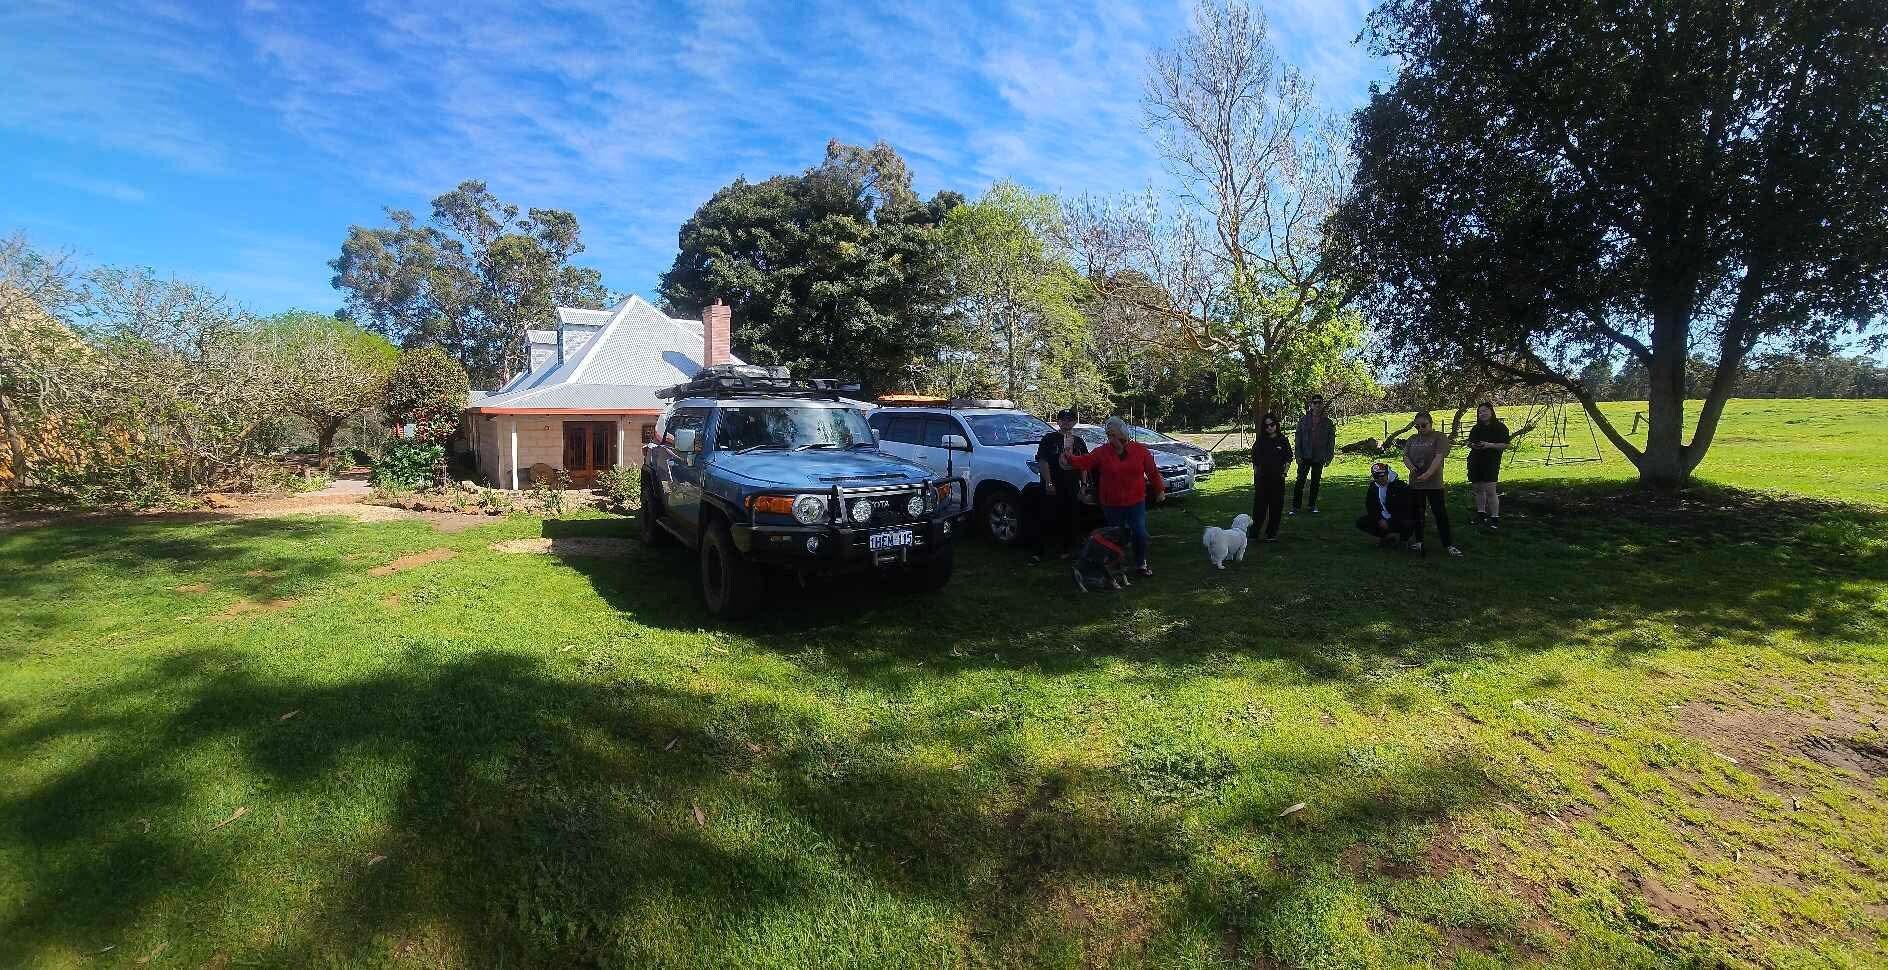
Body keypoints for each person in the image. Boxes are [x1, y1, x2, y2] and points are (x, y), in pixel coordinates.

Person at [1063, 416, 1165, 576]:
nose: (1111, 439)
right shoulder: (1102, 452)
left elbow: (1152, 472)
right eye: (1109, 435)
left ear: (1123, 434)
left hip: (1135, 501)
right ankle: (1116, 564)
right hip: (1111, 503)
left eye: (1114, 435)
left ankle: (1141, 563)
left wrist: (1160, 490)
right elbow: (1084, 462)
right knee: (1117, 535)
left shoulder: (1140, 451)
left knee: (1140, 533)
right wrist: (1069, 455)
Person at [1031, 408, 1089, 563]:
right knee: (1046, 517)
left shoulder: (1078, 441)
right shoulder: (1049, 439)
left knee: (1071, 518)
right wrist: (1048, 482)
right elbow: (1043, 461)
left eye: (1069, 419)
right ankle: (1039, 551)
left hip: (1071, 485)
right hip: (1052, 484)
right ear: (1058, 422)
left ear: (1074, 422)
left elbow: (1084, 464)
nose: (1066, 422)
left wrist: (1083, 485)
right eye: (1063, 419)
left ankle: (1067, 549)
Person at [1401, 410, 1462, 557]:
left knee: (1440, 513)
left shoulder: (1439, 437)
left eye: (1423, 425)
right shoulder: (1412, 439)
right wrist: (1413, 469)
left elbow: (1439, 457)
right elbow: (1405, 456)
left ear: (1430, 423)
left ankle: (1448, 544)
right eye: (1417, 426)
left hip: (1434, 484)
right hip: (1416, 483)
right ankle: (1419, 541)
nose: (1420, 429)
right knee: (1417, 513)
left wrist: (1428, 474)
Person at [1466, 401, 1511, 529]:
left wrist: (1490, 445)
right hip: (1475, 461)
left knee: (1491, 491)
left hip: (1491, 462)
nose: (1482, 414)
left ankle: (1495, 518)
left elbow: (1506, 444)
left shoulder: (1500, 427)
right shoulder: (1476, 428)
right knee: (1478, 489)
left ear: (1491, 411)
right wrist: (1473, 445)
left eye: (1485, 411)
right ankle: (1481, 514)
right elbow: (1469, 443)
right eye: (1480, 412)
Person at [1290, 395, 1336, 515]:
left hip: (1319, 456)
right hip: (1305, 455)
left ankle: (1312, 505)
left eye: (1319, 402)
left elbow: (1331, 441)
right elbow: (1298, 438)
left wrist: (1329, 456)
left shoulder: (1328, 422)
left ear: (1322, 404)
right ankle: (1295, 507)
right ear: (1310, 405)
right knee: (1300, 481)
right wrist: (1298, 455)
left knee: (1315, 482)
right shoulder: (1303, 420)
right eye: (1314, 402)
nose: (1317, 405)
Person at [1250, 413, 1292, 542]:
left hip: (1277, 480)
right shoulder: (1260, 441)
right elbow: (1255, 460)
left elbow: (1288, 458)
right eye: (1267, 425)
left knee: (1276, 507)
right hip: (1262, 480)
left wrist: (1284, 473)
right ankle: (1254, 533)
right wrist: (1257, 476)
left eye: (1272, 425)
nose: (1270, 428)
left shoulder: (1283, 440)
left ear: (1276, 425)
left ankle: (1271, 534)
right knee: (1259, 508)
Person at [1356, 462, 1415, 545]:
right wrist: (1379, 519)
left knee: (1408, 522)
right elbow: (1371, 506)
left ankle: (1405, 538)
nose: (1380, 479)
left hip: (1399, 518)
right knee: (1361, 522)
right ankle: (1386, 537)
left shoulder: (1400, 486)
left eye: (1382, 476)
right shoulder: (1373, 487)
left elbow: (1406, 508)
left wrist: (1390, 521)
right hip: (1383, 518)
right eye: (1377, 477)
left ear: (1387, 474)